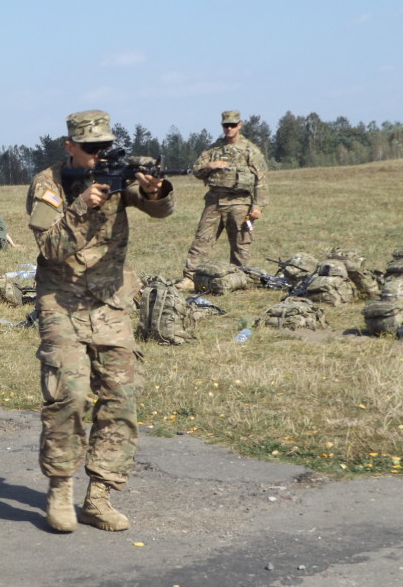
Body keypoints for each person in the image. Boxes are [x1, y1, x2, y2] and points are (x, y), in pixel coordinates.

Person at [26, 109, 174, 534]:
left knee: (120, 399)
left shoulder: (117, 175)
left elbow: (160, 209)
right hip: (62, 302)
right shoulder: (48, 184)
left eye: (104, 148)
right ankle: (60, 488)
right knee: (67, 395)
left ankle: (100, 495)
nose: (98, 156)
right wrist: (81, 207)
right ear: (70, 146)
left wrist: (155, 190)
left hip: (110, 302)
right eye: (90, 149)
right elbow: (50, 248)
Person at [175, 110, 269, 290]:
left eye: (233, 125)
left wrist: (257, 206)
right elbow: (196, 170)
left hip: (240, 203)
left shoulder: (250, 150)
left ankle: (239, 279)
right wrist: (209, 165)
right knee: (201, 241)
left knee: (241, 245)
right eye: (226, 125)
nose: (229, 128)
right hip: (214, 202)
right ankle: (190, 278)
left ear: (239, 125)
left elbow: (261, 179)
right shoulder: (214, 150)